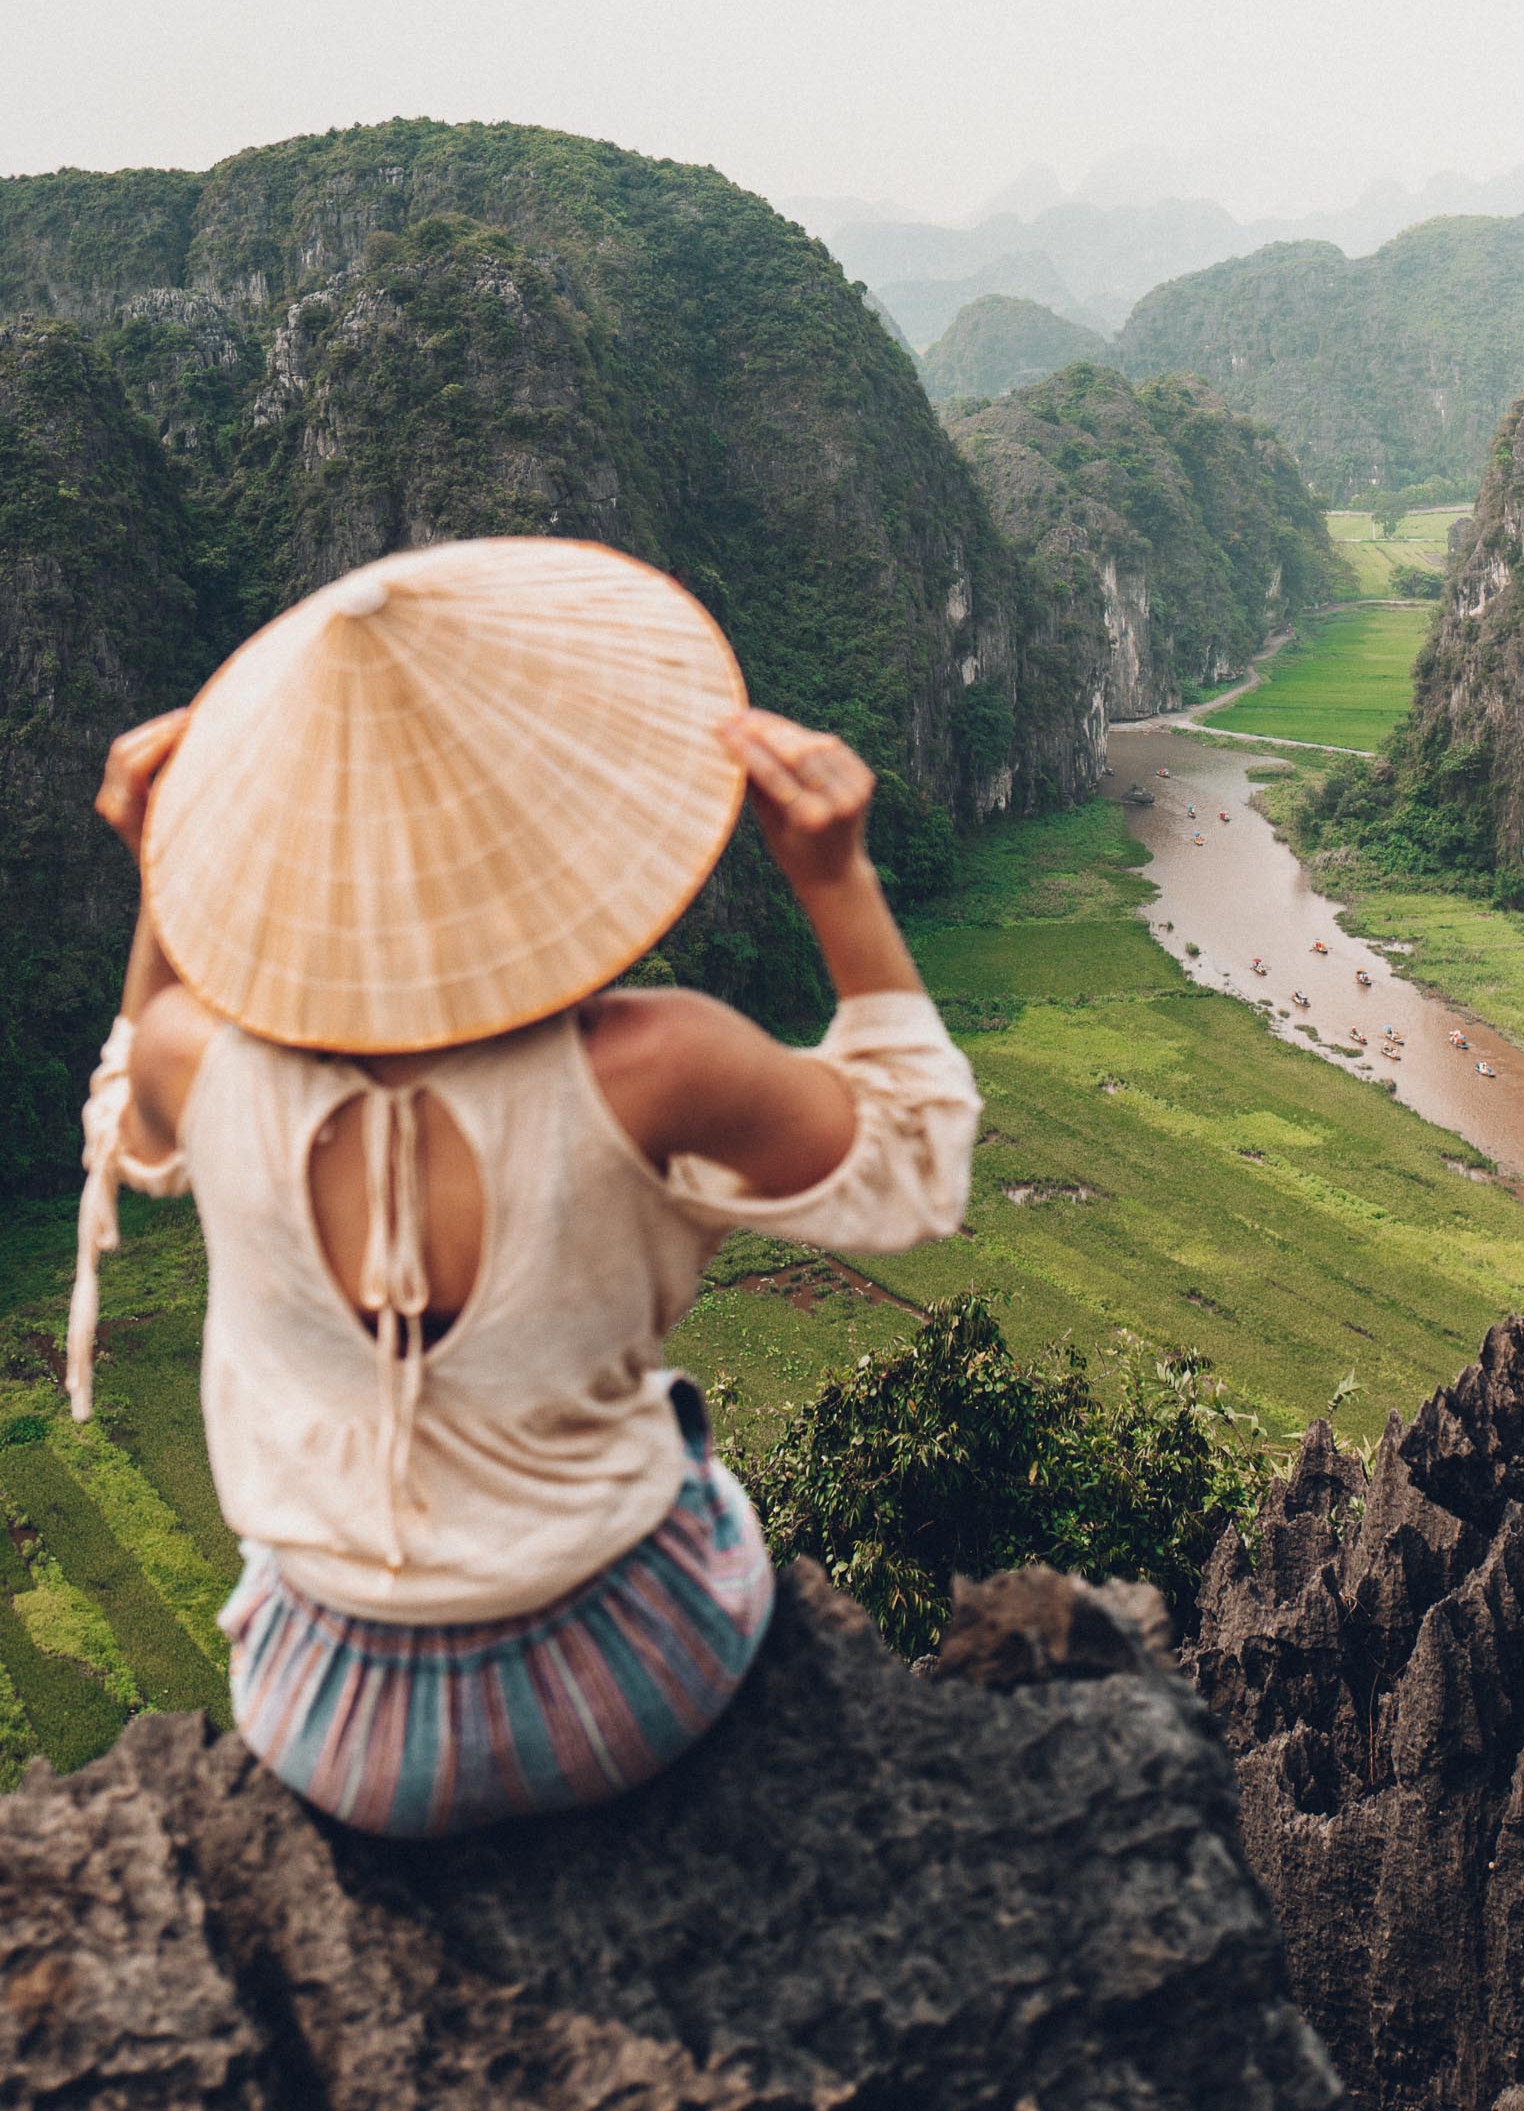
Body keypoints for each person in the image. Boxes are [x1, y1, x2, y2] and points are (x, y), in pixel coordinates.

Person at [68, 541, 980, 1841]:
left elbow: (130, 1129)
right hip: (632, 1678)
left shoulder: (187, 1059)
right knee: (690, 1455)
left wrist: (166, 874)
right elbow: (912, 1169)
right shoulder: (654, 1064)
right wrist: (836, 880)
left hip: (329, 1716)